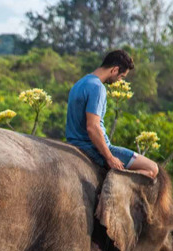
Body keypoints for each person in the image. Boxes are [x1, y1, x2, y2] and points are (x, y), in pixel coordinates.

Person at [66, 50, 158, 179]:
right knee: (152, 169)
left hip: (72, 142)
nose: (119, 81)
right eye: (121, 77)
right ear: (115, 70)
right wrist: (110, 157)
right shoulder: (97, 87)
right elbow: (93, 127)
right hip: (92, 149)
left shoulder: (79, 83)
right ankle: (111, 188)